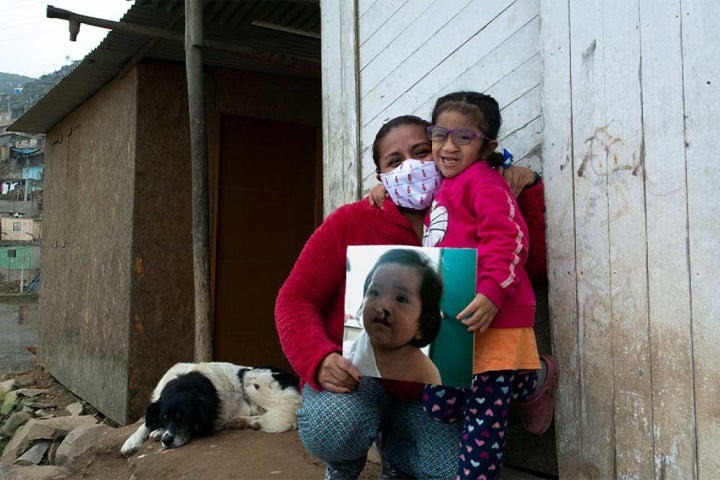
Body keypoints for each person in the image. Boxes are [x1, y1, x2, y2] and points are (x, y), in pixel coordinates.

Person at [274, 114, 554, 480]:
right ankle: (343, 464)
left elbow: (529, 265)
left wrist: (529, 187)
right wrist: (317, 357)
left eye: (421, 151)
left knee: (453, 471)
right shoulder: (351, 221)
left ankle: (397, 450)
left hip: (432, 392)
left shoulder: (472, 211)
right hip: (361, 377)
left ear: (441, 152)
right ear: (381, 177)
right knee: (334, 425)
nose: (410, 165)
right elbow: (295, 298)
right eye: (394, 161)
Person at [420, 91, 558, 479]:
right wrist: (381, 187)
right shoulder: (443, 183)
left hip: (496, 320)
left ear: (487, 146)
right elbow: (401, 182)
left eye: (464, 137)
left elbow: (510, 239)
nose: (448, 146)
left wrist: (493, 291)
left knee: (483, 426)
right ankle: (533, 378)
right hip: (454, 322)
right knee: (439, 405)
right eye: (439, 134)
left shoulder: (484, 183)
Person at [345, 248, 443, 384]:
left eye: (401, 299)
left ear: (422, 324)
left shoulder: (423, 370)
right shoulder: (355, 347)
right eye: (374, 292)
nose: (382, 306)